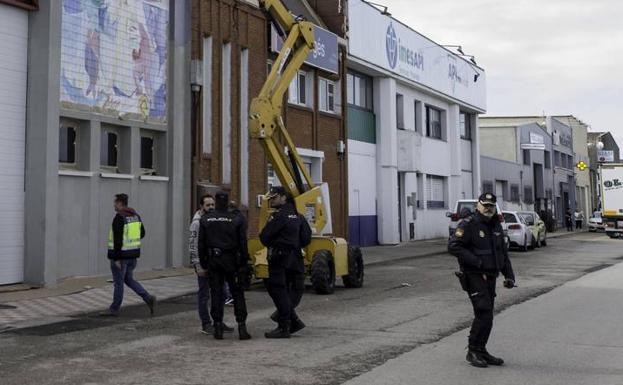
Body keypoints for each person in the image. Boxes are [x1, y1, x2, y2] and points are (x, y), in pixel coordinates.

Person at [448, 193, 515, 368]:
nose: (488, 208)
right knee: (483, 311)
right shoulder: (469, 224)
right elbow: (454, 246)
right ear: (478, 206)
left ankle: (481, 350)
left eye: (491, 206)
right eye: (485, 205)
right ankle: (472, 351)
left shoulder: (496, 225)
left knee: (488, 315)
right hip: (474, 275)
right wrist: (477, 262)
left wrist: (509, 275)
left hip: (491, 276)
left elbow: (502, 253)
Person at [198, 191, 251, 340]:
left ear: (216, 202)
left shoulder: (206, 219)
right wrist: (244, 262)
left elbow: (201, 244)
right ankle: (242, 326)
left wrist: (204, 263)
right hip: (232, 261)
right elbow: (243, 243)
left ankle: (218, 327)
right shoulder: (236, 219)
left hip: (215, 260)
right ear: (227, 202)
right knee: (237, 293)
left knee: (216, 293)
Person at [260, 186, 312, 339]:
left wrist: (277, 242)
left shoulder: (279, 217)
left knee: (278, 290)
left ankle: (284, 326)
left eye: (274, 198)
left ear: (283, 198)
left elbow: (264, 238)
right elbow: (306, 238)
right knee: (292, 291)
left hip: (279, 258)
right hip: (295, 258)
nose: (271, 201)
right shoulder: (299, 216)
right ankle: (293, 321)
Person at [100, 194, 155, 317]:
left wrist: (117, 258)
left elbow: (118, 241)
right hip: (133, 256)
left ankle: (114, 309)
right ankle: (148, 298)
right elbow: (142, 233)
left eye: (115, 203)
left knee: (119, 283)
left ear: (120, 203)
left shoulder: (119, 218)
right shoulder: (136, 216)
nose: (114, 205)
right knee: (128, 279)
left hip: (121, 257)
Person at [188, 194, 234, 334]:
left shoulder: (212, 219)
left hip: (215, 263)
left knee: (222, 293)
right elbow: (193, 245)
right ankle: (206, 323)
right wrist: (197, 265)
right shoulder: (197, 223)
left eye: (212, 205)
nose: (211, 207)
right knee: (204, 295)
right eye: (208, 205)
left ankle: (218, 321)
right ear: (201, 206)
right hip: (203, 264)